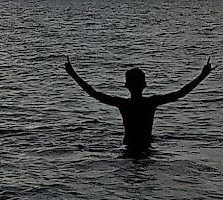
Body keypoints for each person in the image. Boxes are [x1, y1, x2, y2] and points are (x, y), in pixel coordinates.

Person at [64, 57, 213, 150]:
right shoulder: (150, 102)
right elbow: (181, 93)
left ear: (126, 86)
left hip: (128, 145)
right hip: (146, 145)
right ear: (145, 85)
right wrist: (202, 75)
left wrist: (73, 74)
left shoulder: (124, 104)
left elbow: (93, 93)